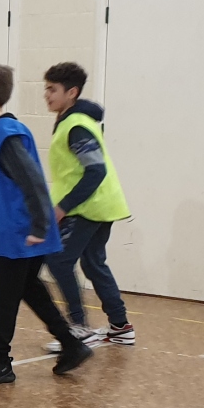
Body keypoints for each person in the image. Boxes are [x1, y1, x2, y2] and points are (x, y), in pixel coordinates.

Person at [0, 64, 94, 385]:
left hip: (24, 234)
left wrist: (38, 226)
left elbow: (32, 182)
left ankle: (0, 363)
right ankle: (72, 345)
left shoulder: (6, 134)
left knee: (0, 295)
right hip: (22, 232)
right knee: (30, 290)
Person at [39, 62, 135, 351]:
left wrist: (63, 207)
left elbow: (95, 170)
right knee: (93, 263)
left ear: (72, 92)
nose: (46, 95)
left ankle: (79, 327)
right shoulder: (73, 119)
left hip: (87, 206)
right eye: (45, 88)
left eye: (52, 89)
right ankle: (120, 326)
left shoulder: (76, 126)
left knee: (58, 260)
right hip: (101, 204)